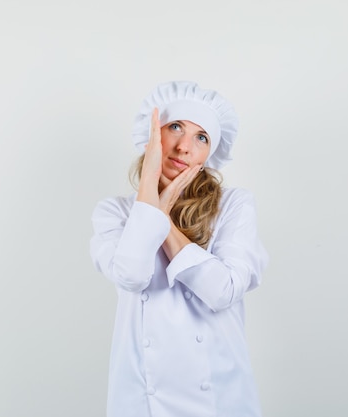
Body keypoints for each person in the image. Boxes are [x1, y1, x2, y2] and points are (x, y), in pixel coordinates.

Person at [90, 81, 268, 417]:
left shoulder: (233, 206)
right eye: (175, 128)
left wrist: (163, 214)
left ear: (209, 155)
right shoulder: (114, 213)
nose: (184, 146)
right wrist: (149, 188)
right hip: (142, 401)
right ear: (152, 137)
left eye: (201, 137)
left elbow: (221, 290)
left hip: (219, 398)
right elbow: (131, 274)